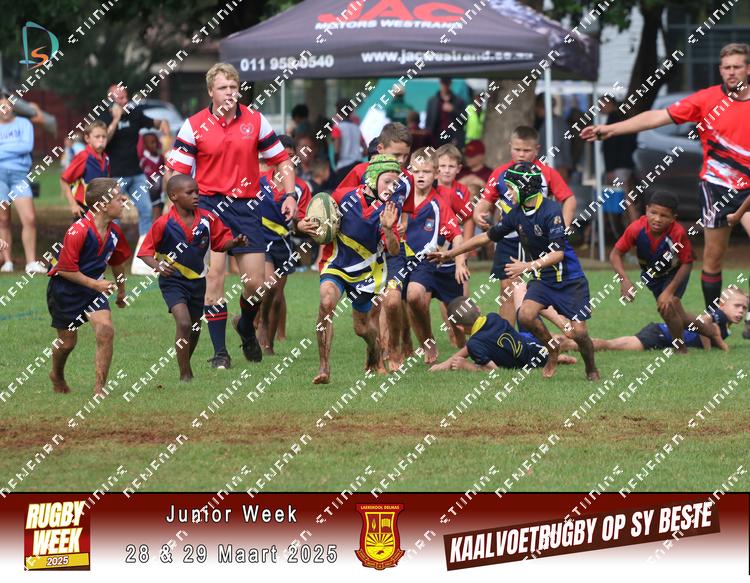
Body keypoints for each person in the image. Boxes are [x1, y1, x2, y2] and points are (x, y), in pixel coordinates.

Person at [582, 42, 750, 318]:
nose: (732, 72)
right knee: (713, 257)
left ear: (748, 69)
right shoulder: (706, 99)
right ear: (720, 70)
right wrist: (611, 129)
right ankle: (714, 321)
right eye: (727, 67)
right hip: (716, 187)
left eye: (737, 67)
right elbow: (658, 117)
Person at [165, 63, 297, 370]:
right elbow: (178, 176)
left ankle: (246, 324)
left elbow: (282, 161)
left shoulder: (255, 120)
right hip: (209, 205)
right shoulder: (194, 125)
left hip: (247, 207)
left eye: (233, 87)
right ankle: (220, 353)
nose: (229, 93)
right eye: (223, 87)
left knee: (257, 284)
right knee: (215, 276)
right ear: (211, 91)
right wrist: (178, 211)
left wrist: (290, 194)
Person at [431, 162, 599, 381]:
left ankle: (591, 369)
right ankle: (552, 348)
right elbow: (487, 237)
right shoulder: (516, 214)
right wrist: (451, 254)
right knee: (526, 315)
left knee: (580, 333)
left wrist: (526, 266)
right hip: (543, 279)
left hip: (570, 280)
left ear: (525, 187)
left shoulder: (551, 211)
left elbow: (558, 254)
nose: (507, 193)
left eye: (511, 188)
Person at [298, 155, 401, 384]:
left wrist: (388, 228)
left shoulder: (390, 209)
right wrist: (302, 224)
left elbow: (394, 250)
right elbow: (320, 215)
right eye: (387, 181)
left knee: (362, 328)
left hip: (367, 273)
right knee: (326, 303)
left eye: (395, 183)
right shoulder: (344, 195)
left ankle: (374, 350)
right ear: (373, 179)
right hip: (336, 263)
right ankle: (324, 367)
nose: (391, 187)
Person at [137, 175, 248, 381]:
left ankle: (184, 362)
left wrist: (234, 243)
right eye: (190, 193)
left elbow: (220, 243)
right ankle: (185, 374)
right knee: (184, 323)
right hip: (173, 281)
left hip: (198, 282)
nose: (196, 196)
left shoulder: (208, 219)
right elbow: (145, 252)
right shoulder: (163, 223)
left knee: (195, 328)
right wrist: (158, 266)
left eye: (197, 191)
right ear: (174, 196)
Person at [473, 126, 576, 328]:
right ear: (510, 146)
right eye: (517, 149)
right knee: (507, 287)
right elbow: (485, 200)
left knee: (538, 290)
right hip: (508, 238)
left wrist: (562, 226)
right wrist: (478, 213)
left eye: (526, 150)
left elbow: (569, 199)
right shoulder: (500, 173)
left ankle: (554, 329)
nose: (521, 154)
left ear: (537, 149)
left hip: (538, 240)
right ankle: (507, 337)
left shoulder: (546, 172)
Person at [610, 190, 727, 352]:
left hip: (675, 273)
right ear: (646, 210)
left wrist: (669, 291)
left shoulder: (677, 233)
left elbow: (687, 263)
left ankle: (680, 349)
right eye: (653, 213)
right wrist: (624, 280)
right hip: (653, 276)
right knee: (679, 317)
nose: (657, 219)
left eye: (664, 215)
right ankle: (711, 331)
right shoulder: (636, 228)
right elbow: (615, 254)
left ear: (673, 218)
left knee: (667, 306)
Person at [47, 178, 131, 395]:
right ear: (103, 205)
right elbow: (64, 269)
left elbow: (118, 262)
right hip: (65, 290)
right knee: (67, 343)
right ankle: (57, 374)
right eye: (118, 198)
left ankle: (99, 388)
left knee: (106, 330)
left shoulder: (114, 232)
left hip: (94, 290)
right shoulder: (78, 231)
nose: (124, 200)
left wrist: (121, 291)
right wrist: (95, 284)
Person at [404, 149, 468, 364]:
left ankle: (461, 341)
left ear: (435, 174)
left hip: (442, 264)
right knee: (414, 298)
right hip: (415, 263)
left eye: (426, 172)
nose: (420, 176)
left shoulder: (439, 203)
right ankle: (425, 341)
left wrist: (460, 263)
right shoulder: (401, 197)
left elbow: (457, 235)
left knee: (457, 317)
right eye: (416, 171)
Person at [99, 83, 170, 275]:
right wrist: (115, 119)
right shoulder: (104, 117)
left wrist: (163, 124)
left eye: (125, 97)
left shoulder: (135, 113)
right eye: (119, 98)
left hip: (137, 174)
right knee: (114, 217)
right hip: (116, 176)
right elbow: (104, 141)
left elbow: (154, 123)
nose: (124, 101)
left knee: (146, 211)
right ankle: (112, 256)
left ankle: (143, 259)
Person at [558, 288, 748, 353]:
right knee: (612, 345)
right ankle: (568, 343)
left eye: (744, 308)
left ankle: (566, 342)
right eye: (737, 305)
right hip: (659, 335)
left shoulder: (725, 323)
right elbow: (705, 322)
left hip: (661, 335)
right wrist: (712, 347)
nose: (741, 311)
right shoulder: (719, 315)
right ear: (722, 305)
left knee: (613, 344)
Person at [257, 135, 311, 355]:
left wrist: (303, 225)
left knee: (277, 297)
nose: (287, 161)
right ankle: (259, 324)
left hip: (284, 244)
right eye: (282, 157)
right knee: (268, 285)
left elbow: (301, 224)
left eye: (291, 157)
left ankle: (268, 344)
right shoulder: (259, 180)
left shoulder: (301, 188)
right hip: (260, 241)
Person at [430, 297, 576, 371]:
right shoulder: (493, 317)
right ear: (478, 309)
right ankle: (563, 345)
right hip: (533, 347)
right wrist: (446, 364)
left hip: (530, 361)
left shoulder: (475, 345)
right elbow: (473, 345)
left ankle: (560, 352)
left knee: (555, 342)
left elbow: (493, 371)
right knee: (521, 301)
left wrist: (467, 366)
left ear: (460, 328)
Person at [0, 90, 45, 273]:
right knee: (3, 220)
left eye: (8, 105)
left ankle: (31, 262)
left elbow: (27, 146)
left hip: (19, 176)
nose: (5, 109)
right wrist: (14, 148)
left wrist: (2, 149)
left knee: (29, 218)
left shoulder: (24, 123)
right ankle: (7, 261)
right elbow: (19, 147)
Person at [60, 120, 110, 219]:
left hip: (100, 211)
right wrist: (73, 205)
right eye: (97, 137)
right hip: (84, 211)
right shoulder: (83, 156)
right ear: (87, 138)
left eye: (104, 136)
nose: (101, 140)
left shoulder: (106, 158)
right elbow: (64, 180)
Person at [600, 97, 638, 224]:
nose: (600, 108)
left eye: (602, 104)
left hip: (618, 166)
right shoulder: (624, 119)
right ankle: (630, 226)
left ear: (610, 103)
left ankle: (635, 227)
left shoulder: (613, 120)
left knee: (625, 197)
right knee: (625, 197)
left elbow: (611, 147)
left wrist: (610, 169)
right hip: (626, 164)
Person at [534, 93, 572, 182]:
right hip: (558, 166)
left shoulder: (551, 124)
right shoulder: (560, 122)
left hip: (555, 167)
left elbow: (553, 147)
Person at [331, 97, 365, 184]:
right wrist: (356, 155)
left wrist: (336, 162)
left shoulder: (337, 128)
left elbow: (337, 149)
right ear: (351, 111)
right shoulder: (356, 128)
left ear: (337, 111)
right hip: (358, 165)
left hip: (344, 167)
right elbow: (365, 150)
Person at [425, 77, 466, 147]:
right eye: (443, 83)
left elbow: (464, 119)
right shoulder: (432, 101)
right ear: (440, 83)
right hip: (436, 139)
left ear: (450, 84)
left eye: (447, 83)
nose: (445, 86)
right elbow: (428, 121)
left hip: (453, 139)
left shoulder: (459, 101)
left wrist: (452, 110)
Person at [139, 129, 166, 222]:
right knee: (150, 214)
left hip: (159, 192)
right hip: (148, 192)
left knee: (159, 213)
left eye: (156, 142)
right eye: (151, 143)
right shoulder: (143, 160)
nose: (155, 145)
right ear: (145, 145)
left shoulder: (161, 158)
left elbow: (164, 172)